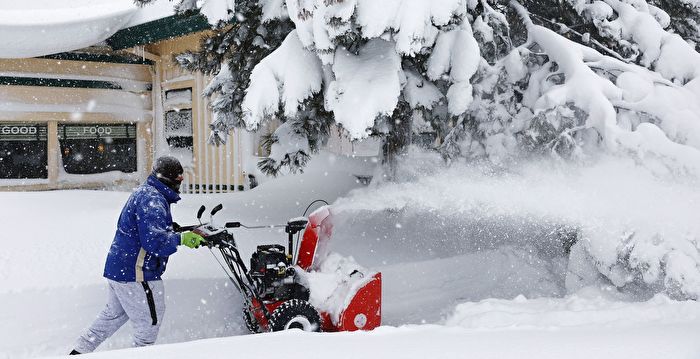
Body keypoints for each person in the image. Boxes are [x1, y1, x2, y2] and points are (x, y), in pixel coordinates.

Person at [70, 156, 205, 355]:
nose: (180, 184)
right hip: (137, 273)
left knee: (111, 318)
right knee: (149, 325)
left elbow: (148, 229)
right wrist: (180, 239)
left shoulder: (148, 192)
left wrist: (176, 231)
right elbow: (154, 242)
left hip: (120, 269)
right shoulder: (153, 199)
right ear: (170, 179)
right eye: (179, 180)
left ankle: (77, 353)